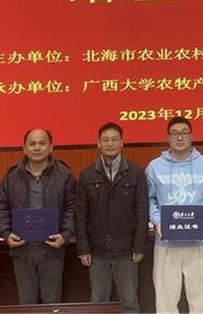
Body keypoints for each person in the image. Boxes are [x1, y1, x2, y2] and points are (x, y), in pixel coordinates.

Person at [0, 128, 76, 305]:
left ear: (50, 147)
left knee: (52, 303)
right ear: (24, 148)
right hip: (22, 248)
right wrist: (6, 234)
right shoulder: (12, 176)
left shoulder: (64, 174)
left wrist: (66, 234)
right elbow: (0, 206)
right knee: (27, 303)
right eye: (32, 144)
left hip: (52, 248)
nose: (37, 148)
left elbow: (72, 207)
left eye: (42, 143)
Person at [146, 116, 203, 313]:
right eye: (175, 133)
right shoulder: (154, 166)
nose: (180, 137)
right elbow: (149, 200)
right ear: (168, 137)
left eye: (184, 133)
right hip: (166, 243)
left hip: (198, 242)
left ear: (191, 136)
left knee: (202, 300)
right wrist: (158, 221)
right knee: (165, 301)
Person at [75, 122, 148, 312]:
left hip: (127, 250)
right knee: (98, 301)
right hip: (97, 251)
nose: (110, 144)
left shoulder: (136, 173)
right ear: (98, 143)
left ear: (122, 143)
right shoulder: (87, 175)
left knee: (129, 301)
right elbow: (80, 215)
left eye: (114, 139)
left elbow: (142, 211)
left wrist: (139, 244)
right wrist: (83, 248)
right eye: (105, 140)